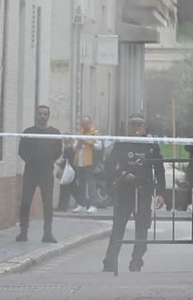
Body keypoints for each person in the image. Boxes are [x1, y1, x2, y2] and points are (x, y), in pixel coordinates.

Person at [103, 115, 166, 274]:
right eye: (133, 125)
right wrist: (120, 174)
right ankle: (110, 262)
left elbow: (159, 169)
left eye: (139, 125)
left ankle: (136, 262)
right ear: (128, 127)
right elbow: (109, 165)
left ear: (145, 127)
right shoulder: (121, 143)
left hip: (143, 190)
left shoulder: (151, 145)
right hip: (124, 190)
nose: (136, 128)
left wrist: (161, 193)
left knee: (142, 228)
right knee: (118, 227)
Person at [16, 102, 62, 243]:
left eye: (45, 114)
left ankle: (47, 233)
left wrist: (48, 160)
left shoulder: (55, 133)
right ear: (36, 115)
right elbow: (21, 151)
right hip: (30, 171)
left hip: (46, 172)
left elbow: (58, 151)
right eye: (40, 114)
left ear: (49, 116)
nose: (42, 116)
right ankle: (23, 232)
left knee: (47, 203)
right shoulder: (28, 132)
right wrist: (30, 160)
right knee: (25, 202)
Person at [70, 118, 101, 213]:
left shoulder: (94, 133)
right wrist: (79, 143)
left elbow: (99, 146)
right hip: (79, 162)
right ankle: (81, 204)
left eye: (86, 123)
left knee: (91, 184)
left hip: (90, 162)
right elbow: (74, 148)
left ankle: (93, 205)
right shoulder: (79, 133)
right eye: (83, 124)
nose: (84, 125)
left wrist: (88, 143)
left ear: (90, 123)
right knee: (81, 184)